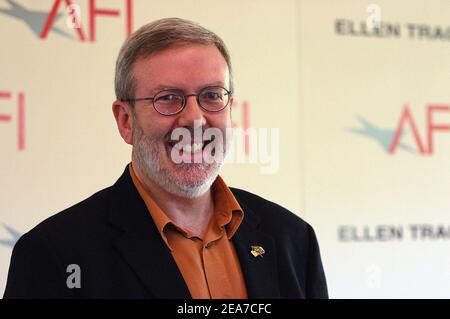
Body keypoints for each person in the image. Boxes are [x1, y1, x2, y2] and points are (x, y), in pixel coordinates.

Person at [3, 17, 328, 299]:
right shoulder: (54, 254)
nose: (196, 120)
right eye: (168, 98)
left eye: (212, 96)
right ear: (125, 120)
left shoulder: (294, 240)